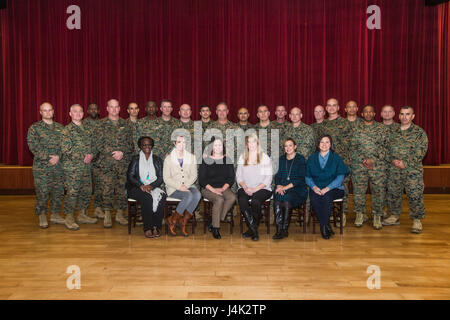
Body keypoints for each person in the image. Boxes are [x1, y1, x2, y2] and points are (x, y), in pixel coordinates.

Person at [383, 106, 428, 234]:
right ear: (398, 116)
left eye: (407, 114)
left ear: (412, 116)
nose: (404, 117)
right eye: (402, 114)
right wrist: (393, 160)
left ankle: (417, 220)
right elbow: (385, 148)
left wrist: (405, 163)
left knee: (414, 194)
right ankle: (394, 216)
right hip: (394, 169)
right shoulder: (392, 131)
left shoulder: (419, 132)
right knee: (393, 193)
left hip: (412, 170)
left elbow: (421, 151)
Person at [95, 99, 134, 228]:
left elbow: (131, 145)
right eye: (111, 107)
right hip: (107, 164)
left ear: (119, 108)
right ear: (107, 108)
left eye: (116, 107)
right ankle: (107, 214)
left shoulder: (126, 125)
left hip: (122, 164)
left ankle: (119, 214)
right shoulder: (100, 125)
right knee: (107, 189)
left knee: (121, 190)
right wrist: (114, 152)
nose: (114, 109)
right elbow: (98, 144)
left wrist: (122, 152)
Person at [350, 105, 389, 230]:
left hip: (377, 166)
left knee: (378, 191)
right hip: (359, 166)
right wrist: (363, 160)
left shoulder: (382, 128)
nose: (368, 114)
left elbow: (387, 147)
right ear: (362, 114)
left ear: (374, 113)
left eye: (370, 111)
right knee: (359, 191)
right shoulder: (356, 128)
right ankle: (360, 214)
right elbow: (352, 147)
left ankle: (377, 215)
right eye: (365, 112)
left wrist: (373, 160)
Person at [27, 102, 65, 228]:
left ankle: (55, 214)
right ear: (40, 112)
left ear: (53, 111)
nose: (48, 112)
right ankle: (42, 214)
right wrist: (49, 158)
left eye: (50, 110)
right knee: (43, 191)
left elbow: (66, 145)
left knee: (58, 191)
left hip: (58, 166)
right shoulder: (35, 128)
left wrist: (58, 156)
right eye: (45, 110)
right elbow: (32, 146)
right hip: (42, 167)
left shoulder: (61, 127)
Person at [61, 104, 98, 231]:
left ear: (83, 113)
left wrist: (92, 155)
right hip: (73, 168)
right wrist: (83, 156)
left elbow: (95, 145)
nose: (78, 114)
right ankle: (69, 217)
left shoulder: (88, 129)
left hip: (87, 167)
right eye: (75, 112)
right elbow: (66, 150)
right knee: (72, 192)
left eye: (80, 111)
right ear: (70, 114)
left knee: (86, 192)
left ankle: (82, 214)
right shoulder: (66, 130)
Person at [306, 135, 350, 239]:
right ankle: (326, 225)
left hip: (334, 188)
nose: (324, 144)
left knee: (326, 198)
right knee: (314, 199)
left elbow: (340, 177)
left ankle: (323, 227)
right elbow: (307, 177)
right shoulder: (312, 158)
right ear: (318, 144)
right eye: (322, 142)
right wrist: (314, 187)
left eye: (327, 142)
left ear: (330, 144)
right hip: (316, 187)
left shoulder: (336, 158)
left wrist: (327, 188)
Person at [318, 98, 353, 227]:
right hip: (326, 164)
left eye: (334, 105)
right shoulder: (323, 125)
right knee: (328, 187)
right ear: (326, 108)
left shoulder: (345, 124)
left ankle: (342, 213)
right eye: (329, 106)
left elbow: (350, 143)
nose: (331, 108)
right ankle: (331, 212)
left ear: (338, 108)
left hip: (341, 163)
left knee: (342, 187)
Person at [126, 137, 166, 238]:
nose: (147, 147)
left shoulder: (157, 159)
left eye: (149, 145)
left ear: (152, 146)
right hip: (136, 188)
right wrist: (141, 186)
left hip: (153, 186)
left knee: (162, 197)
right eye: (144, 145)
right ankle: (148, 228)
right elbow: (130, 176)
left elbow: (161, 177)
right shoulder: (135, 159)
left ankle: (156, 227)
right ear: (140, 146)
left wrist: (151, 186)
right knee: (147, 198)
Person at [236, 133, 273, 241]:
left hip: (262, 188)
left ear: (257, 143)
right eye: (249, 141)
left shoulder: (265, 157)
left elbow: (268, 179)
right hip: (245, 187)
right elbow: (238, 176)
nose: (251, 144)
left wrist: (255, 189)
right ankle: (253, 229)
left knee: (255, 201)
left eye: (254, 141)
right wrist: (246, 188)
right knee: (242, 200)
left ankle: (252, 229)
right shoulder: (243, 157)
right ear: (247, 144)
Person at [163, 134, 201, 237]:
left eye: (184, 142)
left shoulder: (191, 157)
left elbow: (194, 175)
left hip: (188, 186)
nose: (182, 145)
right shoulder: (168, 159)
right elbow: (166, 178)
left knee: (197, 195)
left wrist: (186, 185)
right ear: (175, 143)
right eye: (179, 142)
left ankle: (183, 221)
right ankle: (173, 221)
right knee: (188, 196)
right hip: (174, 188)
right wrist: (179, 186)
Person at [198, 138, 236, 239]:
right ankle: (215, 228)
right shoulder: (206, 160)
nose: (218, 147)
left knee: (232, 197)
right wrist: (214, 190)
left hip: (223, 187)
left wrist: (223, 189)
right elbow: (201, 179)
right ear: (212, 147)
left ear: (222, 147)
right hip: (208, 188)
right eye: (215, 145)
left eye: (219, 145)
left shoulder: (227, 160)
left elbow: (231, 177)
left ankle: (215, 220)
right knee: (219, 199)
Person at [272, 138, 307, 239]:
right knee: (278, 198)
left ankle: (285, 229)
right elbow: (277, 176)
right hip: (281, 187)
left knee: (287, 199)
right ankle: (279, 229)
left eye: (290, 145)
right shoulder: (281, 159)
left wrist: (285, 187)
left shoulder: (300, 159)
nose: (288, 148)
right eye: (286, 146)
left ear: (295, 147)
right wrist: (279, 186)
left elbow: (300, 179)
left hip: (297, 189)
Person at [82, 103, 104, 219]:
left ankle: (98, 209)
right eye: (91, 109)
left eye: (95, 109)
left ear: (99, 110)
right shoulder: (82, 123)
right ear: (88, 111)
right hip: (85, 160)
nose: (93, 111)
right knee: (85, 187)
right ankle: (83, 211)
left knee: (99, 186)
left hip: (99, 160)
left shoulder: (102, 124)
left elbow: (104, 141)